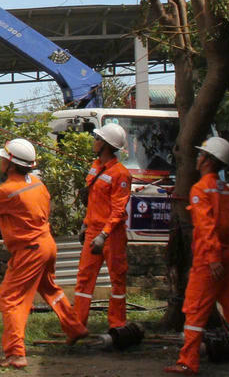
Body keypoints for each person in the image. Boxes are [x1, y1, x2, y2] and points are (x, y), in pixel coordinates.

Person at [0, 138, 87, 369]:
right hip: (46, 245)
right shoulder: (37, 183)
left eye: (4, 158)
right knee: (49, 288)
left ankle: (16, 353)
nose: (1, 161)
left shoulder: (8, 190)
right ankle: (74, 327)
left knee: (10, 299)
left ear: (12, 164)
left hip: (29, 251)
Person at [165, 136, 229, 375]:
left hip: (209, 260)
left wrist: (214, 257)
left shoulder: (200, 189)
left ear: (208, 160)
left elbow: (206, 227)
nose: (198, 158)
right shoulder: (228, 191)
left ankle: (187, 362)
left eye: (201, 155)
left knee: (195, 310)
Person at [74, 123, 132, 328]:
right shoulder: (95, 166)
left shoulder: (121, 174)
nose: (94, 141)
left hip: (112, 236)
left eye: (97, 139)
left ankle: (117, 324)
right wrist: (85, 225)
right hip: (92, 230)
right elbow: (92, 201)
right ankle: (78, 325)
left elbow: (118, 210)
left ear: (106, 145)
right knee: (84, 278)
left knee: (117, 279)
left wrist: (104, 235)